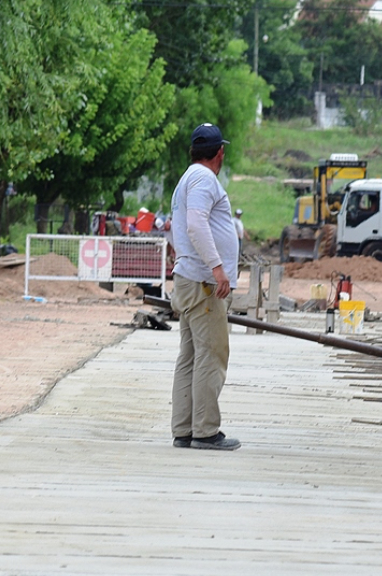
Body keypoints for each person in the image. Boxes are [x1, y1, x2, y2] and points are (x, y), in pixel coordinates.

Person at [169, 123, 241, 451]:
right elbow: (196, 223)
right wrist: (218, 269)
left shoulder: (187, 179)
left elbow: (181, 226)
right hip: (203, 283)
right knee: (211, 354)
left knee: (190, 356)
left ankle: (184, 429)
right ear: (220, 153)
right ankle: (205, 431)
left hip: (189, 278)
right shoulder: (203, 179)